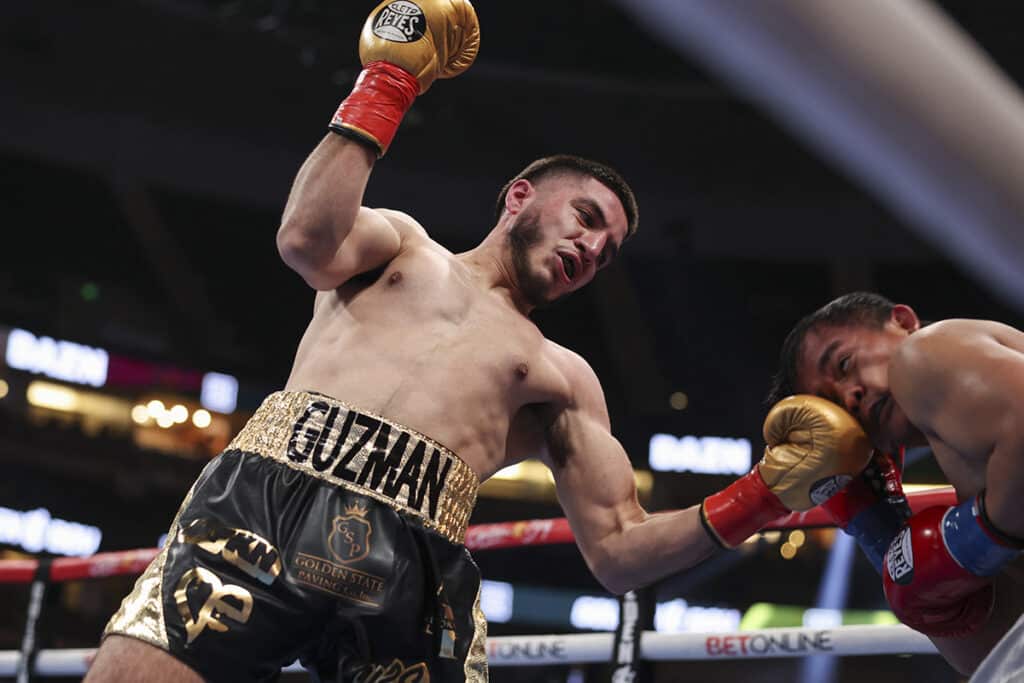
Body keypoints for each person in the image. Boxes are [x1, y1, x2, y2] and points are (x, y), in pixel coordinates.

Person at [86, 2, 873, 681]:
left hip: (411, 564)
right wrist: (388, 82)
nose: (593, 249)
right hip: (264, 503)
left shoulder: (562, 377)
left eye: (609, 250)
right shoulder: (401, 246)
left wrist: (765, 493)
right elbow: (305, 240)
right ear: (520, 196)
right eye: (588, 218)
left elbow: (619, 551)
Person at [767, 291, 1024, 676]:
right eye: (833, 405)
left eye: (844, 363)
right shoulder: (974, 457)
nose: (850, 396)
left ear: (902, 321)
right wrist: (881, 531)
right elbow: (997, 655)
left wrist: (972, 537)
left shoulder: (923, 354)